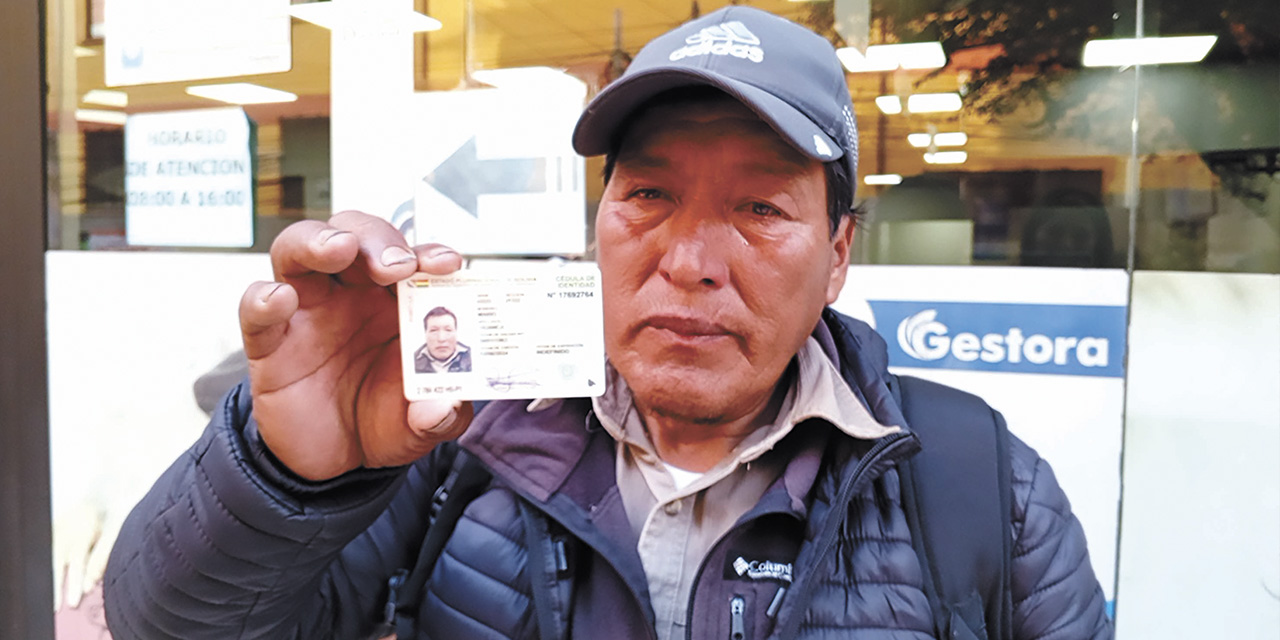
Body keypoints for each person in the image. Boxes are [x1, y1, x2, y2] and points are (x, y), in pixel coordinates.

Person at [103, 7, 1112, 640]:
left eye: (758, 210)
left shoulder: (978, 483)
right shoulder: (454, 433)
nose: (686, 260)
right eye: (646, 196)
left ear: (838, 251)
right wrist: (286, 476)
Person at [414, 306, 472, 373]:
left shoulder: (474, 358)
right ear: (425, 333)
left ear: (456, 332)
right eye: (434, 330)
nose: (441, 338)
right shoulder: (411, 361)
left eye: (448, 330)